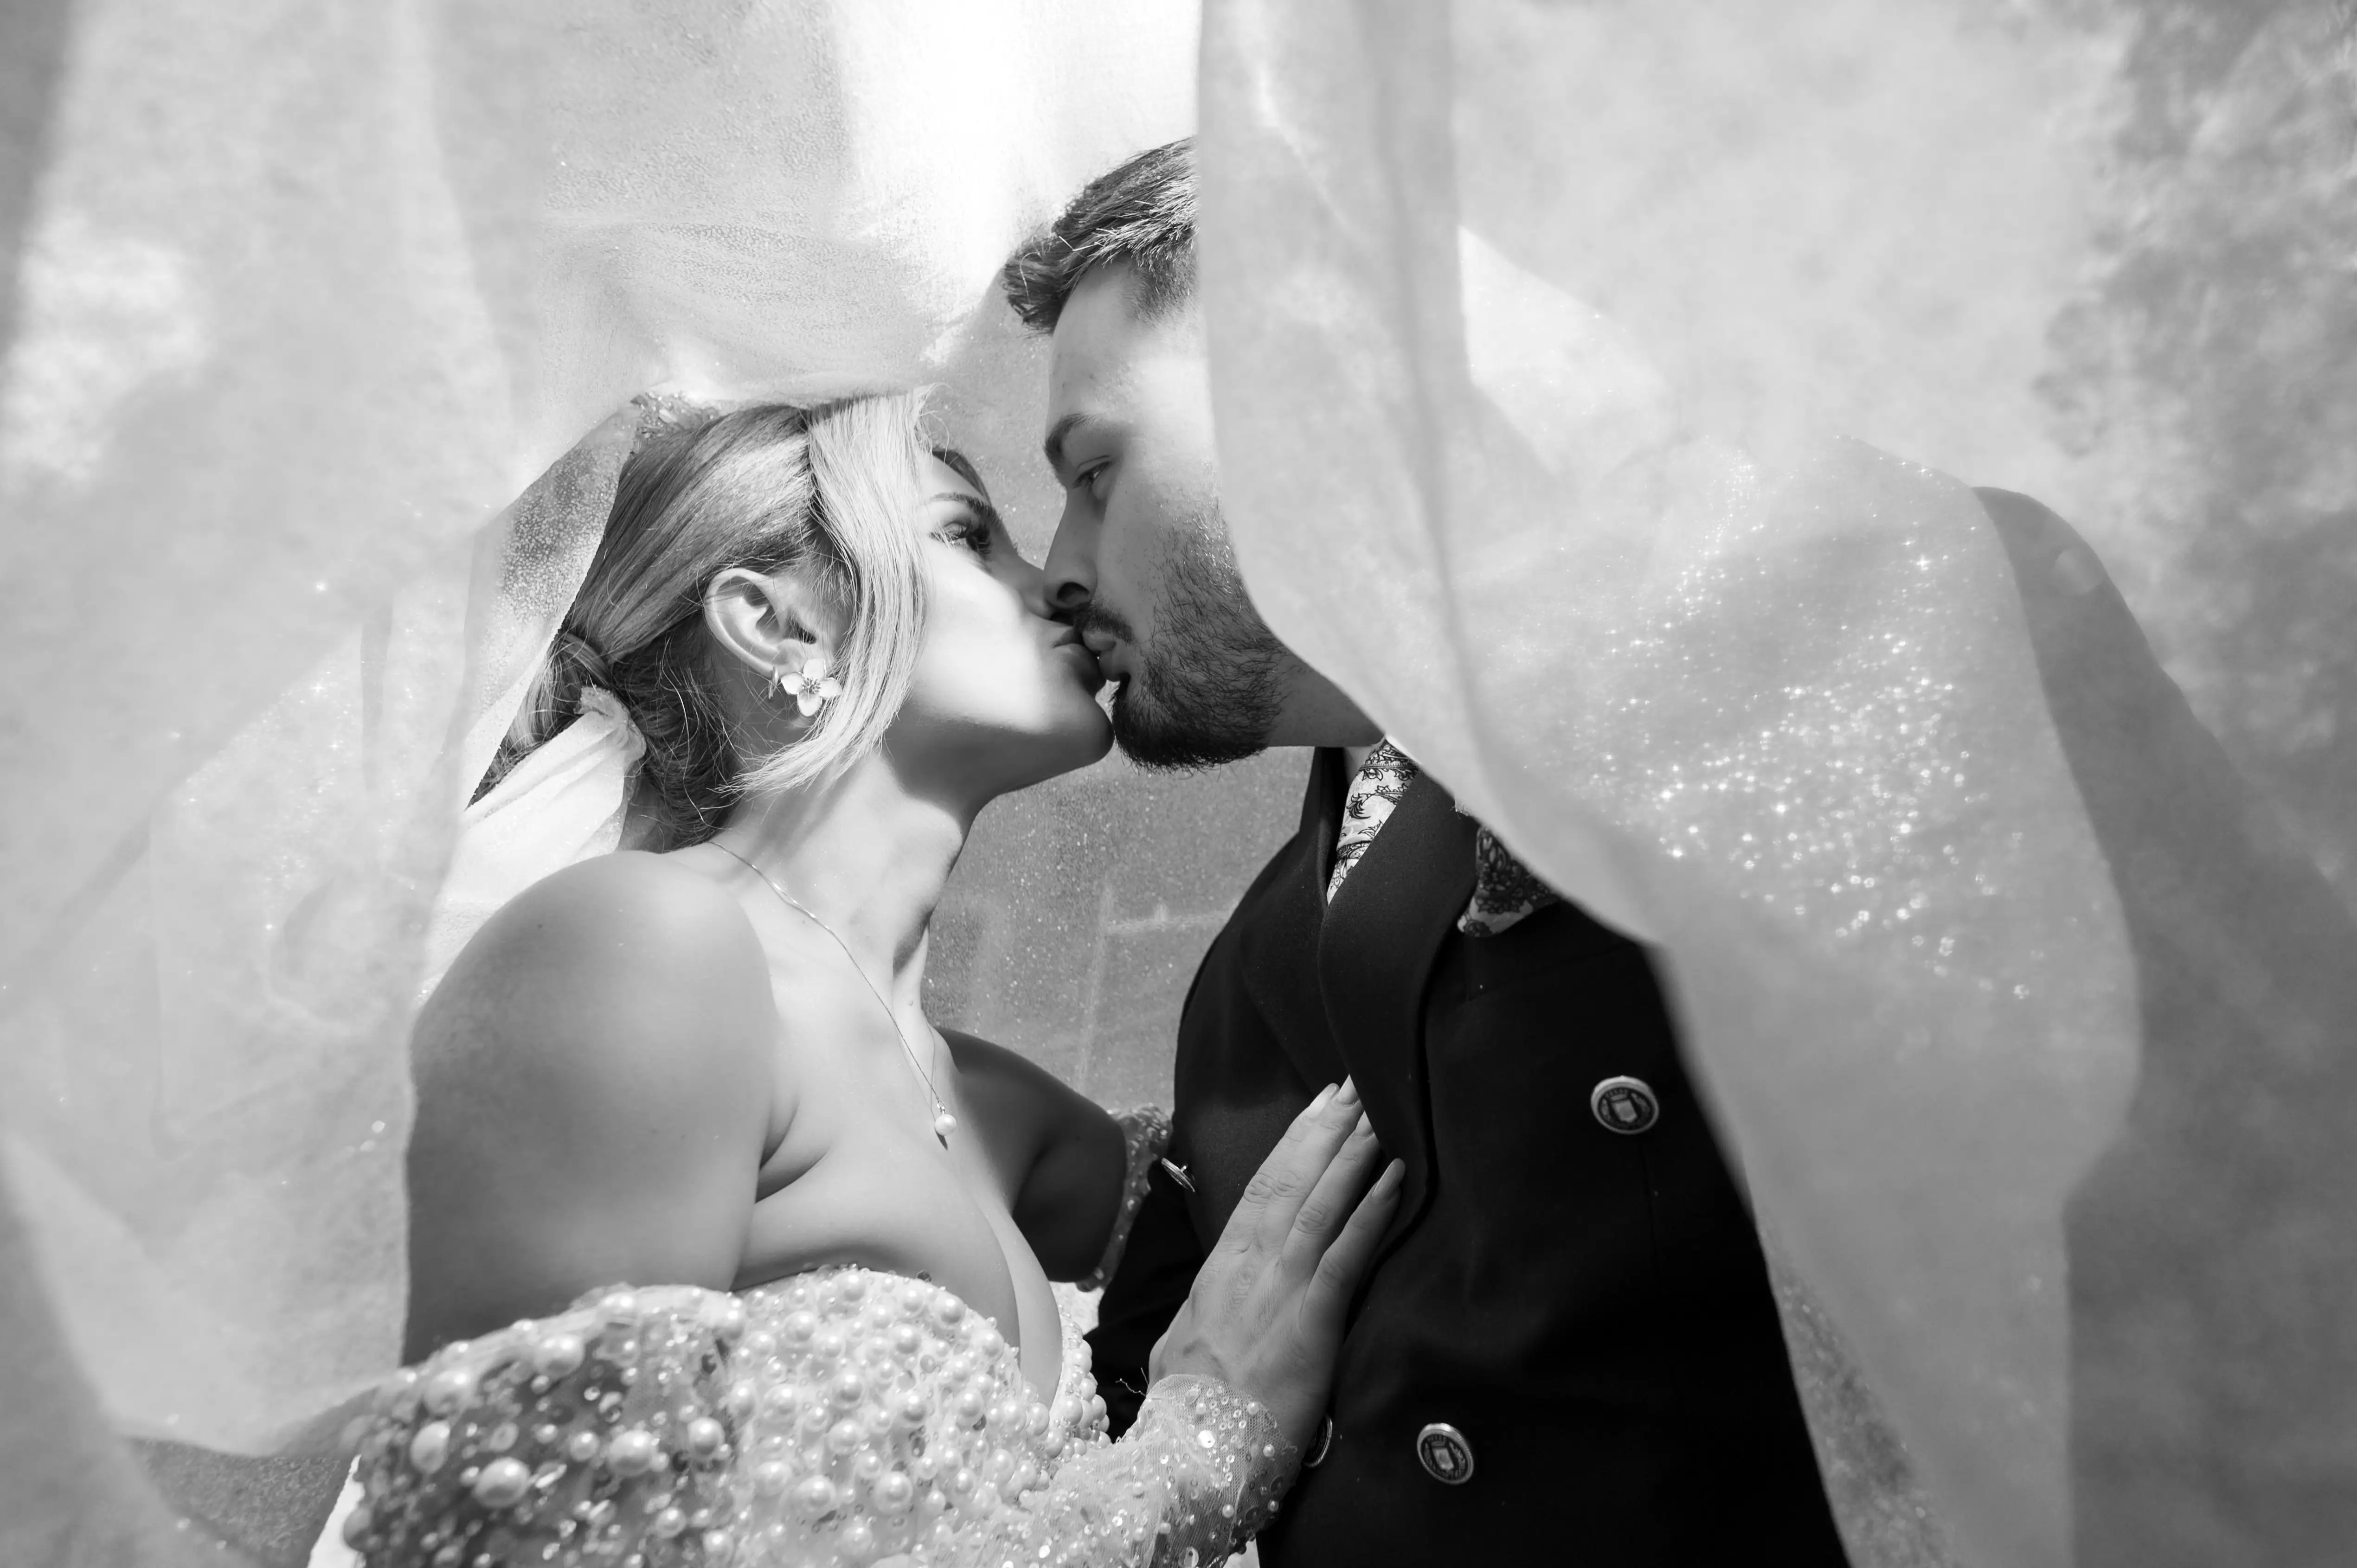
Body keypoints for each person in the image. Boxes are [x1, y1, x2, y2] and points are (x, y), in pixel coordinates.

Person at [333, 394, 1405, 1567]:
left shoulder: (999, 1111)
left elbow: (1349, 1165)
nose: (1058, 583)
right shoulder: (643, 949)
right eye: (964, 536)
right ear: (776, 625)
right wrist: (1193, 1462)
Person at [1001, 139, 1854, 1566]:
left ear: (1312, 386)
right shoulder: (1250, 973)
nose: (1063, 565)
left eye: (1097, 470)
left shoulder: (1803, 659)